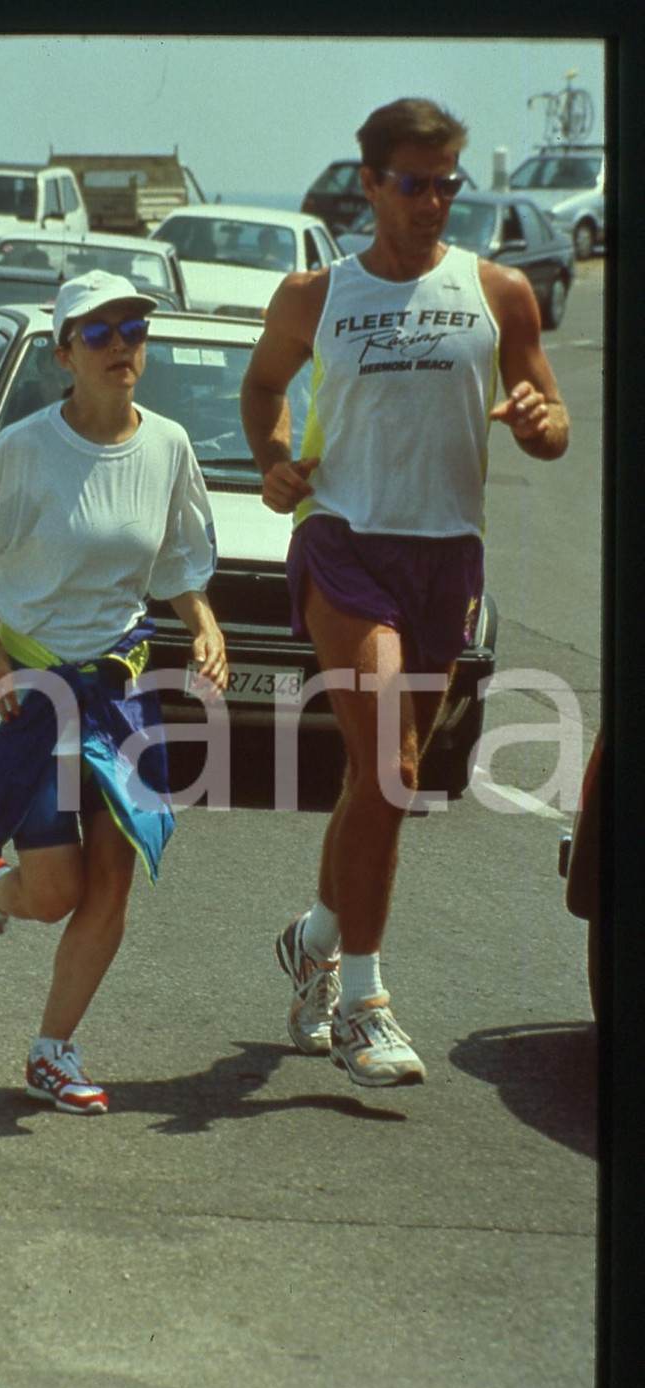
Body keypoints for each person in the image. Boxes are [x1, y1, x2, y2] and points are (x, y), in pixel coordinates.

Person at [240, 98, 569, 1088]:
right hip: (343, 541)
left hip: (446, 556)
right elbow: (262, 389)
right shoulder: (314, 296)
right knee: (391, 765)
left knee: (378, 777)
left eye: (446, 185)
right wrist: (273, 461)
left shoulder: (498, 290)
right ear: (371, 184)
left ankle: (313, 940)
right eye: (413, 184)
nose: (432, 203)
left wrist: (537, 419)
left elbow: (554, 424)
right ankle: (362, 1002)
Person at [0, 270, 228, 1115]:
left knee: (113, 881)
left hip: (120, 692)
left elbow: (178, 560)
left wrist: (203, 622)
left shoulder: (168, 446)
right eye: (99, 333)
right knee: (54, 891)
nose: (121, 345)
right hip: (36, 693)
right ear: (64, 354)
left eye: (133, 330)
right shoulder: (23, 451)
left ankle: (53, 1051)